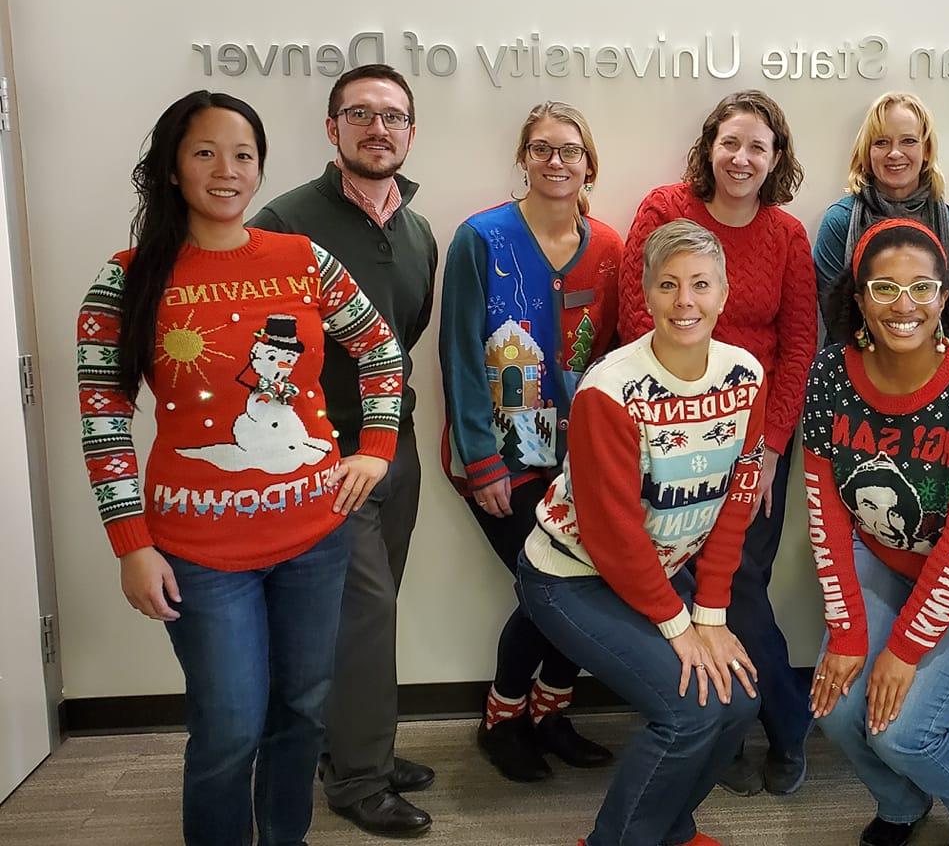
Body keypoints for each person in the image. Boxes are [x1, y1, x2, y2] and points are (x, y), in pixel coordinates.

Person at [76, 91, 403, 845]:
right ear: (169, 169)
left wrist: (375, 450)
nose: (227, 170)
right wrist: (132, 545)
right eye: (205, 152)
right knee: (227, 729)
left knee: (301, 710)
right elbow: (104, 422)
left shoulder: (301, 259)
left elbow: (383, 353)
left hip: (316, 538)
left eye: (244, 155)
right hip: (199, 552)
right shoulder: (124, 282)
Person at [516, 219, 766, 846]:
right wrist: (679, 626)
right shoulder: (608, 388)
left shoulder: (746, 376)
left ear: (725, 291)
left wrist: (710, 613)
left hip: (655, 571)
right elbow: (612, 532)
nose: (686, 302)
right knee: (687, 712)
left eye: (701, 285)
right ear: (647, 295)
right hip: (570, 575)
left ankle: (669, 830)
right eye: (669, 285)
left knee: (738, 701)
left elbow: (737, 500)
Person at [804, 218, 949, 846]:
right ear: (857, 300)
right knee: (837, 708)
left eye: (921, 288)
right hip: (888, 555)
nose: (902, 305)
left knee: (902, 729)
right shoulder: (830, 374)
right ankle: (902, 804)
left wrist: (902, 651)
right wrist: (851, 636)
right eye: (883, 288)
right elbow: (825, 511)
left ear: (945, 297)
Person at [249, 64, 438, 837]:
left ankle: (352, 745)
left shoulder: (418, 228)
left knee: (372, 605)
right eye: (359, 115)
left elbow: (408, 329)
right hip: (326, 456)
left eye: (392, 117)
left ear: (410, 132)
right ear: (332, 131)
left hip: (396, 444)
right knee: (366, 614)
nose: (377, 129)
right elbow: (265, 350)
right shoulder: (286, 222)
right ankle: (359, 781)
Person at [619, 91, 815, 795]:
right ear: (709, 148)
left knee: (740, 585)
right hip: (669, 433)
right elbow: (639, 317)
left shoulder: (787, 235)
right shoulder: (665, 209)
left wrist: (766, 449)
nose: (741, 158)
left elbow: (798, 347)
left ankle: (786, 726)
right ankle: (729, 724)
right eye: (730, 143)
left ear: (775, 161)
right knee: (681, 580)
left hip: (754, 438)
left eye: (757, 147)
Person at [440, 101, 623, 783]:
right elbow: (458, 353)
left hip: (580, 460)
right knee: (549, 587)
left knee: (581, 585)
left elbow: (618, 355)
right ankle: (502, 718)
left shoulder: (609, 248)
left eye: (570, 151)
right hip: (503, 457)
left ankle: (550, 713)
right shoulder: (479, 238)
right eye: (543, 149)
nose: (556, 162)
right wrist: (482, 459)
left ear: (588, 164)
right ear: (523, 158)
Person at [813, 92, 949, 341]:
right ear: (867, 152)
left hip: (938, 370)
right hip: (855, 368)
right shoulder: (839, 223)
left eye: (908, 141)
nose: (895, 153)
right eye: (881, 142)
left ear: (927, 150)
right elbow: (836, 321)